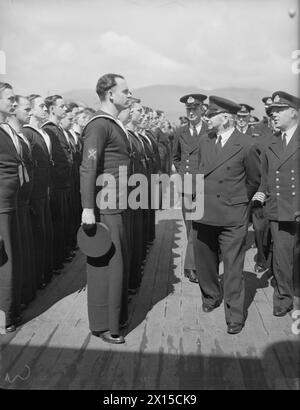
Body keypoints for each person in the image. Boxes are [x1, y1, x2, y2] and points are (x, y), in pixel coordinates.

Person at [193, 96, 261, 334]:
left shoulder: (247, 144)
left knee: (233, 267)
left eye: (211, 115)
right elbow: (201, 173)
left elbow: (254, 179)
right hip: (204, 212)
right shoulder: (205, 141)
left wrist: (238, 201)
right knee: (205, 262)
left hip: (232, 214)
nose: (206, 119)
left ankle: (234, 314)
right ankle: (211, 296)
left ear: (225, 118)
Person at [80, 73, 133, 344]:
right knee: (108, 266)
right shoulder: (99, 125)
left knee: (116, 264)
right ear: (111, 94)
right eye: (125, 90)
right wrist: (88, 208)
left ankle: (114, 318)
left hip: (117, 204)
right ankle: (106, 325)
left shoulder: (112, 124)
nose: (129, 94)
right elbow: (89, 166)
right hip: (105, 206)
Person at [253, 91, 300, 316]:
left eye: (279, 110)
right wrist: (260, 196)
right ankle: (283, 297)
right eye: (272, 112)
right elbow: (264, 178)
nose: (274, 115)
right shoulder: (270, 143)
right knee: (282, 258)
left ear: (293, 112)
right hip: (279, 210)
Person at [173, 94, 208, 283]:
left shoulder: (210, 130)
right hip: (186, 185)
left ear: (202, 109)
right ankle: (193, 263)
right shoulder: (180, 132)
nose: (191, 112)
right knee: (189, 227)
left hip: (203, 185)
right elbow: (175, 157)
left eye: (195, 108)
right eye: (189, 109)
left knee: (198, 225)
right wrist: (181, 174)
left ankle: (192, 266)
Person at [23, 94, 54, 285]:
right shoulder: (27, 133)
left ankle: (44, 273)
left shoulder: (41, 133)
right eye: (41, 106)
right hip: (34, 194)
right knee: (37, 235)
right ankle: (36, 277)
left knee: (44, 233)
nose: (45, 109)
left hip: (44, 191)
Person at [0, 82, 23, 332]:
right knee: (3, 261)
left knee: (9, 259)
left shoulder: (6, 129)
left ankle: (10, 310)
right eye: (9, 98)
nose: (14, 103)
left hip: (10, 202)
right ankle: (3, 319)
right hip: (1, 205)